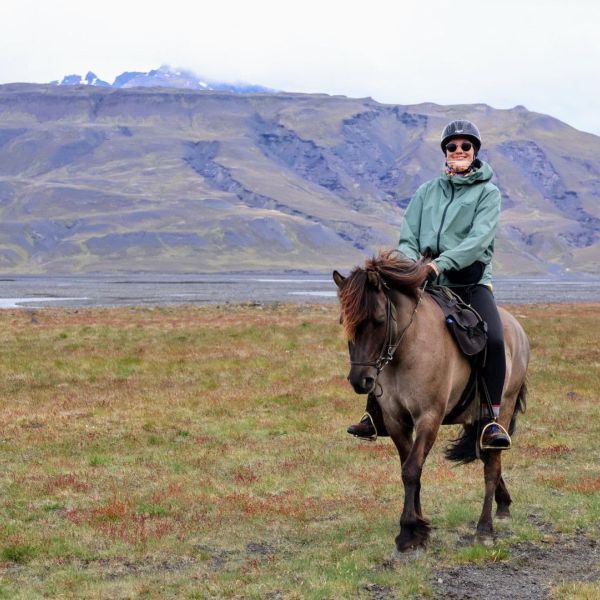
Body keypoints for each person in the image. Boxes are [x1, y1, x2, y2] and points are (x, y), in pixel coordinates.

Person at [347, 119, 511, 450]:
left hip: (469, 282)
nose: (459, 151)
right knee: (385, 324)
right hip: (424, 279)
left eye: (466, 146)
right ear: (445, 153)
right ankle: (375, 412)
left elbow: (478, 241)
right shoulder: (427, 192)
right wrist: (411, 267)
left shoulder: (488, 193)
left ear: (475, 151)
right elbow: (408, 236)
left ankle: (491, 421)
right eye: (452, 146)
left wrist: (441, 264)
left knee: (493, 339)